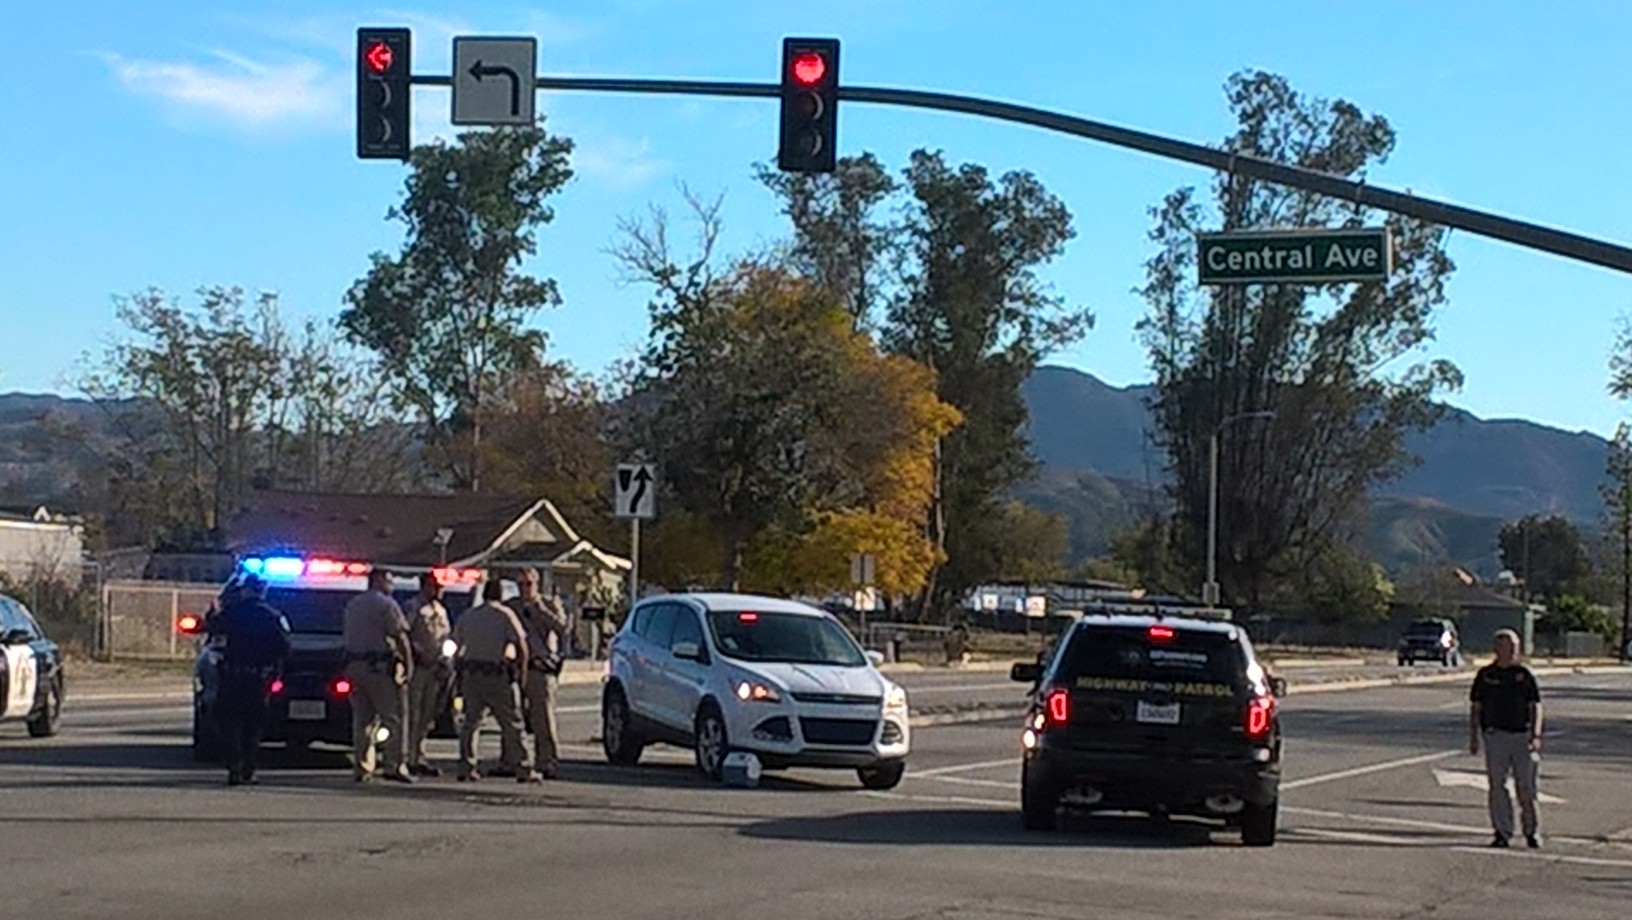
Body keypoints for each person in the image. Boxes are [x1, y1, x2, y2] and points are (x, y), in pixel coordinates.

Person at [453, 578, 539, 783]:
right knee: (512, 724)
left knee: (470, 724)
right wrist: (521, 674)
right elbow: (521, 645)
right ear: (501, 595)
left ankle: (466, 766)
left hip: (472, 674)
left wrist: (459, 674)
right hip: (498, 675)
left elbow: (456, 646)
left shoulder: (469, 616)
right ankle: (523, 767)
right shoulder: (505, 615)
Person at [211, 574, 291, 786]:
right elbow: (284, 649)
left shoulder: (231, 613)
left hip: (232, 676)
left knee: (229, 724)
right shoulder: (273, 617)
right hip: (258, 678)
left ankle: (234, 767)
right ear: (262, 592)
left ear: (245, 590)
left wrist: (215, 607)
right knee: (253, 726)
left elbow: (212, 627)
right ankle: (248, 768)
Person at [1469, 628, 1544, 848]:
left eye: (1514, 647)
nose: (1512, 651)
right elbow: (1476, 708)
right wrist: (1474, 737)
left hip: (1522, 736)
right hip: (1496, 736)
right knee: (1497, 786)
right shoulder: (1486, 676)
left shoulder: (1524, 675)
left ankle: (1531, 831)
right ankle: (1502, 832)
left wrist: (1536, 734)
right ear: (1496, 649)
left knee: (1527, 788)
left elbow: (1536, 706)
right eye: (1507, 646)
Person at [343, 568, 415, 784]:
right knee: (394, 718)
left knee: (362, 720)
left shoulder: (353, 604)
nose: (392, 585)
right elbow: (400, 636)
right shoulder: (387, 605)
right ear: (379, 580)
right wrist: (408, 665)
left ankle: (362, 767)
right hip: (379, 668)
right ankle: (394, 765)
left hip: (354, 666)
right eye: (390, 581)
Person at [514, 567, 568, 779]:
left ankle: (547, 760)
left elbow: (562, 627)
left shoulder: (548, 603)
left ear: (536, 584)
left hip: (540, 667)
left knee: (542, 718)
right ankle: (512, 759)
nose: (524, 589)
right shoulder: (512, 607)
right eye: (520, 585)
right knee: (513, 716)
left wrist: (539, 610)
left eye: (528, 584)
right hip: (518, 668)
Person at [404, 572, 452, 777]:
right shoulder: (413, 607)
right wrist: (416, 654)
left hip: (435, 668)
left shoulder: (440, 610)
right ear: (424, 586)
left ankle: (420, 755)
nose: (439, 590)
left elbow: (445, 637)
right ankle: (407, 757)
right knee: (412, 714)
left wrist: (445, 659)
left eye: (440, 586)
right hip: (418, 668)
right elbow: (404, 634)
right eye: (434, 586)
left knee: (428, 715)